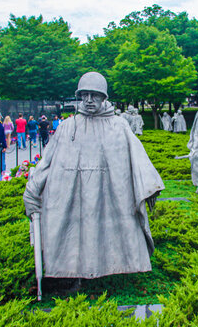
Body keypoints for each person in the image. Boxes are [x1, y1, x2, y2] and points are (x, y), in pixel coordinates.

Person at [23, 71, 164, 280]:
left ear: (104, 97)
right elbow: (48, 162)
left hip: (111, 193)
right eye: (85, 94)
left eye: (95, 95)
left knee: (113, 229)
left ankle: (116, 268)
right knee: (75, 233)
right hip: (74, 194)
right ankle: (72, 272)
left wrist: (149, 186)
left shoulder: (119, 126)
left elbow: (138, 157)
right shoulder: (68, 127)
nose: (89, 100)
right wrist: (33, 189)